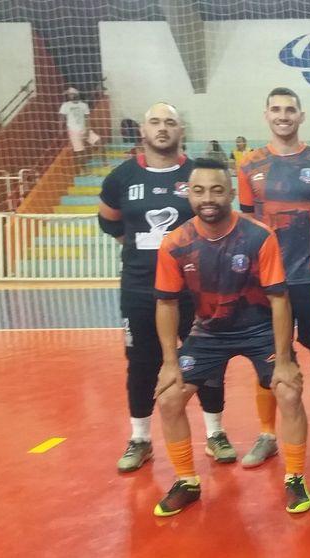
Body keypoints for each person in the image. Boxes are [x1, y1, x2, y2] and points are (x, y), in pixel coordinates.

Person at [151, 157, 308, 516]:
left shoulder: (257, 236)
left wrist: (284, 360)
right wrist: (169, 363)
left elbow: (279, 300)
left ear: (231, 194)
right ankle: (186, 481)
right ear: (188, 194)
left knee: (288, 390)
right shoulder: (175, 244)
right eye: (200, 191)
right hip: (208, 332)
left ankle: (295, 478)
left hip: (260, 330)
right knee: (170, 398)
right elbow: (166, 304)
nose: (209, 198)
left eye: (217, 190)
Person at [97, 102, 231, 473]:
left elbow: (217, 218)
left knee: (208, 358)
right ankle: (140, 439)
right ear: (143, 130)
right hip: (141, 289)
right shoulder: (121, 177)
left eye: (169, 122)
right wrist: (147, 250)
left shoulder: (196, 174)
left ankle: (215, 433)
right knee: (141, 363)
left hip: (197, 289)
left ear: (180, 129)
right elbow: (110, 223)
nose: (162, 128)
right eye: (155, 122)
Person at [237, 87, 310, 467]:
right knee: (268, 359)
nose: (283, 116)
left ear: (301, 116)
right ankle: (268, 433)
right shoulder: (249, 165)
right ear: (266, 114)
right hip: (267, 282)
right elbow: (247, 223)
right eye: (276, 109)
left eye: (290, 110)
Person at [59, 87, 91, 166]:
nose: (70, 96)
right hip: (73, 131)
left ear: (77, 94)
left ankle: (105, 163)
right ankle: (83, 170)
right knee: (79, 151)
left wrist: (88, 130)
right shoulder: (65, 105)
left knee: (99, 142)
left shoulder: (83, 105)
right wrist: (60, 129)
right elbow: (61, 118)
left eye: (72, 94)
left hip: (84, 129)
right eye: (69, 95)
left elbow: (87, 118)